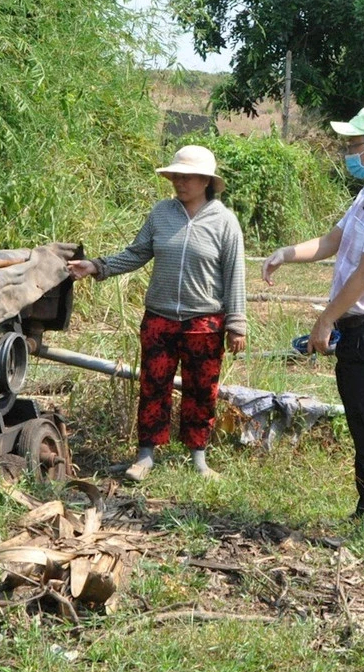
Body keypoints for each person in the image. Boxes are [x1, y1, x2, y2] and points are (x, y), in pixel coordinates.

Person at [261, 107, 364, 535]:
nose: (348, 152)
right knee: (362, 423)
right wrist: (287, 253)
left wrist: (325, 321)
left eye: (354, 145)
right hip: (358, 329)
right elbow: (334, 239)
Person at [69, 144, 246, 480]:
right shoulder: (162, 213)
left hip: (203, 321)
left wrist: (236, 323)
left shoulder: (225, 222)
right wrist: (96, 266)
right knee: (153, 386)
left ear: (206, 181)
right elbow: (137, 253)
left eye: (187, 177)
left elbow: (235, 273)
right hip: (159, 319)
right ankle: (145, 455)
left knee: (201, 390)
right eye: (175, 176)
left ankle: (198, 457)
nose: (179, 182)